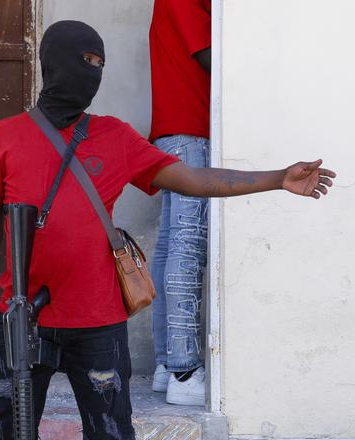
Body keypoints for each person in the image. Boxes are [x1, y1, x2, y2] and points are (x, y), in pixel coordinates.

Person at [0, 20, 335, 440]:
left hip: (97, 321)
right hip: (19, 317)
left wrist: (276, 180)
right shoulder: (6, 137)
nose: (92, 77)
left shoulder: (116, 138)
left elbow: (197, 179)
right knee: (2, 438)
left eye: (99, 66)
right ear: (54, 65)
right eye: (84, 63)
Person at [148, 0, 212, 405]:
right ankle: (185, 371)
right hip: (189, 130)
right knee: (188, 246)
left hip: (177, 131)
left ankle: (167, 363)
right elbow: (214, 56)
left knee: (172, 244)